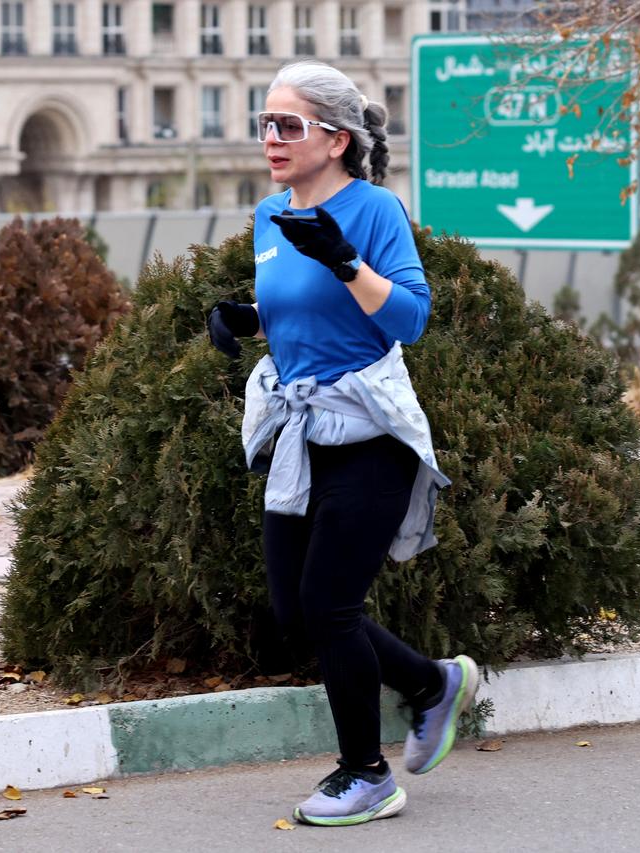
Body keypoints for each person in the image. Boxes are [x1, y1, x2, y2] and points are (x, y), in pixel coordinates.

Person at [206, 60, 478, 827]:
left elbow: (409, 320)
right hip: (300, 432)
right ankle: (431, 683)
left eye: (288, 125)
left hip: (368, 432)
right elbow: (296, 312)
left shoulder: (374, 211)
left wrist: (346, 260)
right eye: (264, 122)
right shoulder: (269, 216)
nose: (271, 138)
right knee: (296, 608)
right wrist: (245, 319)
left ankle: (367, 774)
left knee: (331, 605)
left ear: (336, 138)